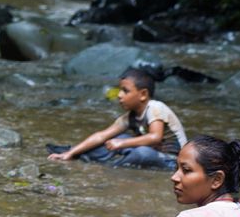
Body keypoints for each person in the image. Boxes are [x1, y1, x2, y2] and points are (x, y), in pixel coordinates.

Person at [47, 67, 186, 169]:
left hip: (171, 160)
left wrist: (121, 143)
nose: (119, 95)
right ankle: (78, 153)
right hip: (151, 153)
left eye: (125, 91)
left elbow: (155, 137)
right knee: (114, 141)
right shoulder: (130, 116)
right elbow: (101, 136)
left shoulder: (155, 107)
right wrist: (71, 153)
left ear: (143, 94)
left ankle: (112, 167)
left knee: (137, 150)